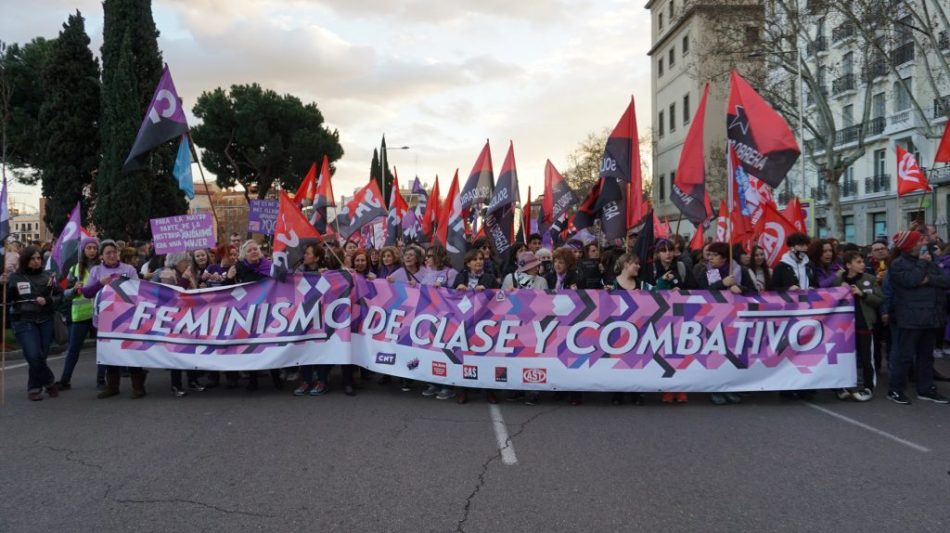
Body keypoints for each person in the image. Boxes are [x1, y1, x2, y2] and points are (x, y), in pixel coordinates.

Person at [887, 231, 950, 405]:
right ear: (910, 245)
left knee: (926, 356)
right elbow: (911, 281)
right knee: (904, 356)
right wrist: (923, 267)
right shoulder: (898, 264)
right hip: (910, 317)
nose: (925, 242)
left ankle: (926, 389)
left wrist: (927, 278)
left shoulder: (929, 261)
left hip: (931, 316)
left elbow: (945, 280)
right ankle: (895, 389)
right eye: (921, 240)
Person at [80, 240, 145, 399]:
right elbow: (87, 292)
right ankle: (112, 386)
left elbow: (140, 289)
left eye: (114, 252)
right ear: (101, 256)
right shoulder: (96, 271)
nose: (112, 255)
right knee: (109, 352)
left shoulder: (128, 269)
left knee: (132, 351)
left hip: (127, 317)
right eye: (108, 253)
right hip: (105, 320)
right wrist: (100, 283)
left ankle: (138, 387)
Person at [4, 246, 63, 401]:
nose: (36, 261)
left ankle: (34, 387)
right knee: (33, 354)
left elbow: (59, 296)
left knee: (40, 356)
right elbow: (6, 299)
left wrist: (47, 300)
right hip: (23, 319)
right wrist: (2, 284)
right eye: (33, 258)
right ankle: (49, 381)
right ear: (25, 260)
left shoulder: (49, 276)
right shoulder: (14, 277)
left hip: (45, 319)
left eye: (38, 258)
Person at [225, 240, 283, 392]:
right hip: (248, 313)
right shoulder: (238, 268)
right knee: (251, 346)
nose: (254, 251)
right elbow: (227, 291)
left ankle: (276, 378)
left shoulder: (270, 267)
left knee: (271, 345)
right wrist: (229, 278)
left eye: (255, 249)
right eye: (250, 250)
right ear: (244, 254)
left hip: (268, 311)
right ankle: (252, 379)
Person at [832, 251, 883, 401]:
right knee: (845, 358)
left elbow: (879, 299)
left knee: (867, 359)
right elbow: (829, 298)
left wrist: (862, 294)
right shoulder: (838, 281)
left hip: (864, 325)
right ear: (848, 265)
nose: (862, 264)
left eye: (862, 261)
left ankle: (868, 387)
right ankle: (842, 386)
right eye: (858, 262)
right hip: (844, 327)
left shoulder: (870, 279)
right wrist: (840, 289)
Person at [157, 252, 206, 397]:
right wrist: (184, 280)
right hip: (175, 319)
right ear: (177, 261)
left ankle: (192, 380)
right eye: (186, 260)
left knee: (191, 349)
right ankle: (176, 384)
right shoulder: (167, 274)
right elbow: (170, 296)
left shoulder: (188, 273)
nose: (188, 263)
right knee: (176, 350)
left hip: (190, 315)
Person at [57, 236, 101, 390]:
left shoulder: (103, 268)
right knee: (73, 349)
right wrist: (74, 289)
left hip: (99, 315)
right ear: (83, 250)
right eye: (89, 248)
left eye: (94, 248)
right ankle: (65, 380)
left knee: (102, 349)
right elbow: (65, 293)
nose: (92, 251)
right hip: (80, 315)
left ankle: (101, 381)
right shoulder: (74, 269)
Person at [293, 243, 333, 396]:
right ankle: (306, 380)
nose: (305, 255)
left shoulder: (326, 274)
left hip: (322, 317)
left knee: (320, 348)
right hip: (303, 316)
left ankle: (322, 381)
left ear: (316, 257)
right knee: (304, 348)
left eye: (308, 253)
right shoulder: (298, 273)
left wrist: (327, 275)